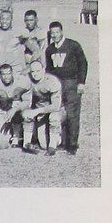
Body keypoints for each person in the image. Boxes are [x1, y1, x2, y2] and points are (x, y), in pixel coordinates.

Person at [45, 21, 88, 153]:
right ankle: (60, 141)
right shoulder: (50, 49)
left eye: (57, 32)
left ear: (62, 31)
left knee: (72, 113)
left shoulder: (73, 45)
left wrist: (81, 82)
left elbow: (83, 64)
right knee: (58, 111)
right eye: (52, 33)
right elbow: (49, 68)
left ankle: (72, 145)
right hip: (57, 84)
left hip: (71, 82)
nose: (55, 35)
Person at [21, 59, 64, 155]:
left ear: (43, 70)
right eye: (32, 71)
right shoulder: (28, 80)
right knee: (43, 145)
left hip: (56, 110)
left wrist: (37, 111)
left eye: (38, 71)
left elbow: (56, 106)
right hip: (41, 113)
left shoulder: (52, 81)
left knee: (54, 117)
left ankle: (53, 146)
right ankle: (26, 143)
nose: (35, 74)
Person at [0, 63, 31, 148]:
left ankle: (19, 137)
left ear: (12, 73)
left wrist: (15, 109)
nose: (6, 77)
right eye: (3, 74)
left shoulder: (22, 82)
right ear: (0, 75)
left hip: (17, 112)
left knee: (26, 113)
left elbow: (27, 102)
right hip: (2, 111)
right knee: (2, 145)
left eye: (8, 73)